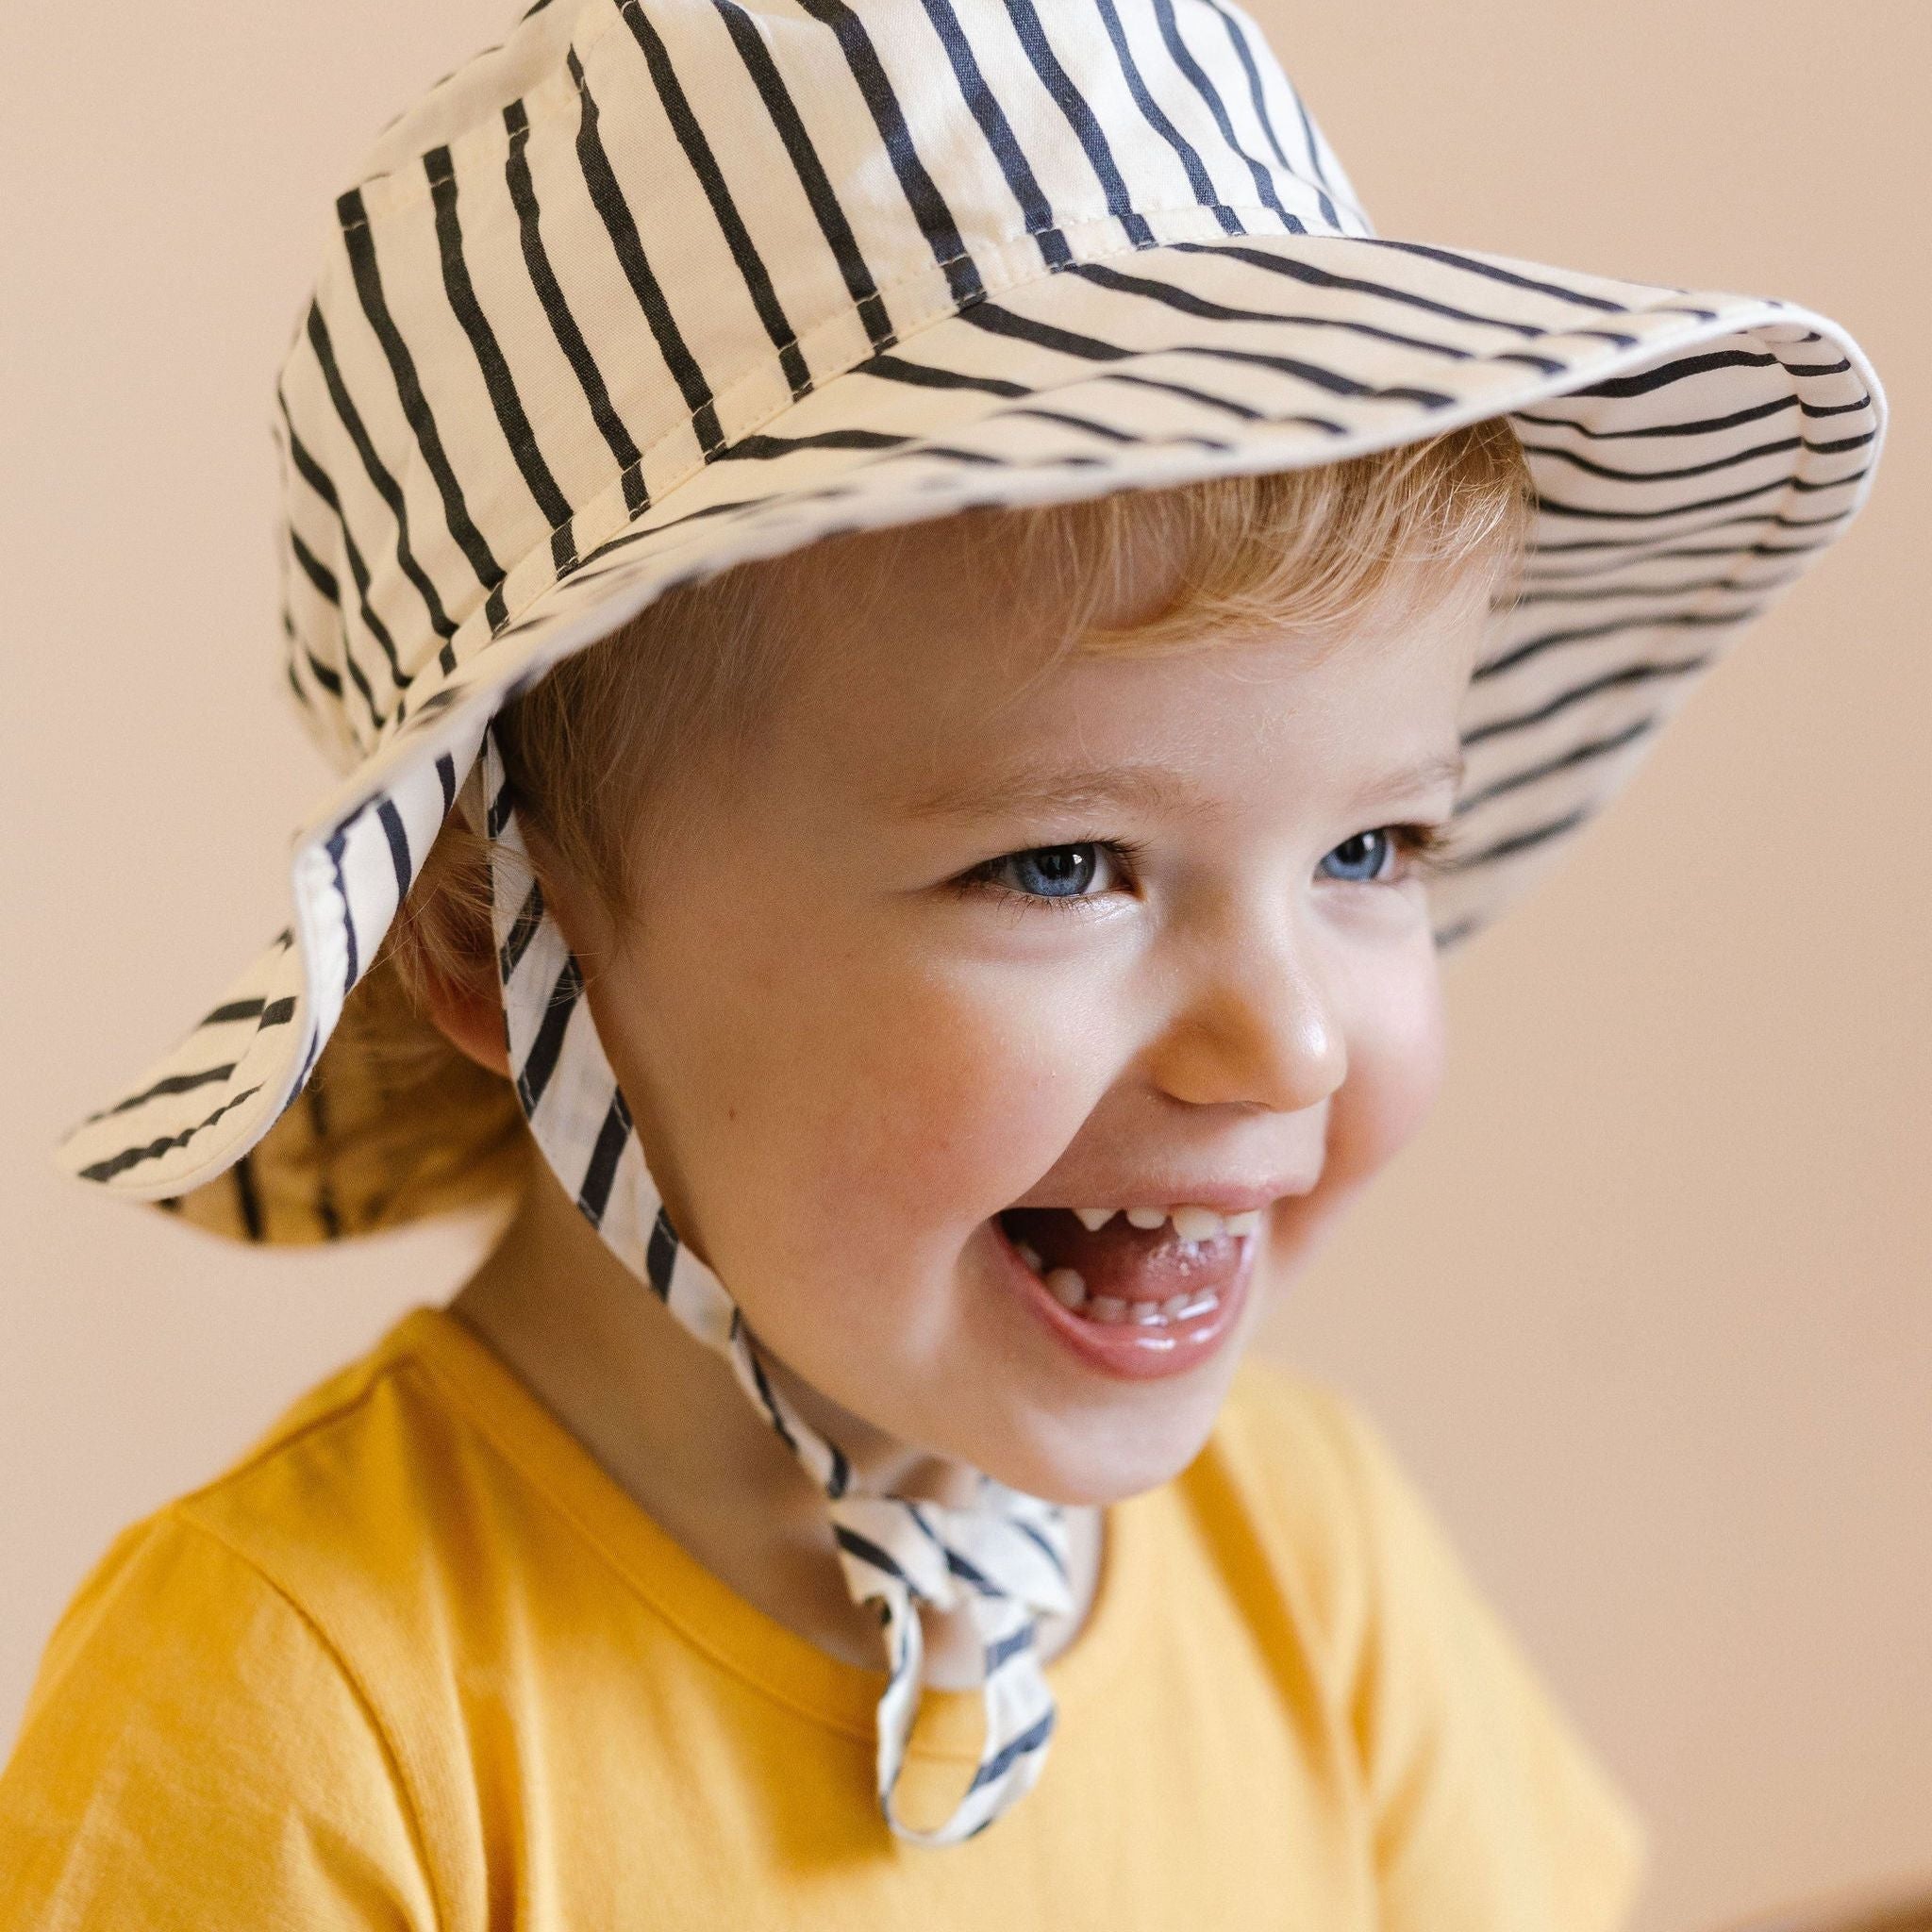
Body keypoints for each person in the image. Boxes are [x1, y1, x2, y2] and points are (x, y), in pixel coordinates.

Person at [1, 0, 1882, 1925]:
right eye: (1062, 863)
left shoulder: (1308, 1564)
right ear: (502, 930)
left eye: (1367, 847)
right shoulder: (300, 1710)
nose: (1291, 1039)